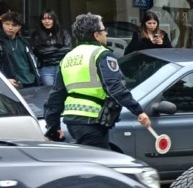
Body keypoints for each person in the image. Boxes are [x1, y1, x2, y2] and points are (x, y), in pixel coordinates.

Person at [43, 12, 151, 149]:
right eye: (103, 30)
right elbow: (114, 86)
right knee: (101, 163)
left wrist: (53, 126)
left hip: (72, 120)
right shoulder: (101, 54)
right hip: (91, 120)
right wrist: (138, 111)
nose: (106, 33)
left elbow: (56, 95)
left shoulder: (68, 57)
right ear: (96, 35)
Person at [28, 10, 72, 86]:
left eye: (50, 19)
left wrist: (49, 50)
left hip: (62, 66)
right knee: (48, 92)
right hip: (46, 67)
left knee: (62, 91)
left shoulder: (63, 33)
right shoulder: (36, 34)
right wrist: (58, 49)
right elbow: (38, 51)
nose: (47, 21)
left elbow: (67, 49)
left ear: (54, 20)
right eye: (44, 19)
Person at [0, 11, 38, 89]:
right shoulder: (1, 42)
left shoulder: (24, 42)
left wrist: (36, 77)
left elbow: (32, 62)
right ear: (2, 24)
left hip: (30, 81)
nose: (10, 28)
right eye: (7, 24)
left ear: (19, 27)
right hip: (11, 83)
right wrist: (4, 79)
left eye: (14, 25)